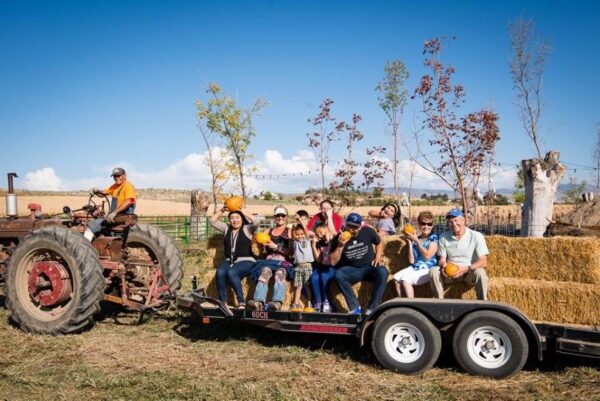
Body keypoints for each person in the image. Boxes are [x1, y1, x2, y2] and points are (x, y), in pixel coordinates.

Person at [331, 213, 389, 315]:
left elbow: (379, 242)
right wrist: (340, 246)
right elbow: (332, 261)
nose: (351, 229)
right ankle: (354, 307)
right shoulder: (338, 238)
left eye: (355, 227)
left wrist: (378, 257)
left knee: (383, 271)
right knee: (339, 274)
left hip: (370, 268)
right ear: (345, 224)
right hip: (353, 270)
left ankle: (373, 307)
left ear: (360, 226)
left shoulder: (368, 232)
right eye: (349, 226)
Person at [429, 209, 490, 300]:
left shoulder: (476, 236)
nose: (453, 224)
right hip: (450, 273)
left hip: (468, 273)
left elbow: (483, 261)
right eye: (450, 221)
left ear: (464, 220)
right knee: (433, 271)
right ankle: (439, 301)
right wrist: (443, 266)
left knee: (480, 273)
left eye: (456, 220)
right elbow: (442, 258)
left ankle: (483, 303)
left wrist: (465, 269)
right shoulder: (444, 237)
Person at [209, 203, 260, 308]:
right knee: (220, 272)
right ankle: (223, 301)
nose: (235, 220)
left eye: (237, 217)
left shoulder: (247, 229)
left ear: (242, 219)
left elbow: (257, 221)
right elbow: (212, 221)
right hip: (229, 260)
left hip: (246, 261)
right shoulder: (226, 229)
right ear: (229, 220)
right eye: (232, 218)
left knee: (232, 272)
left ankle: (241, 301)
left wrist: (245, 212)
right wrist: (222, 209)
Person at [247, 205, 294, 311]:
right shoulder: (268, 230)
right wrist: (256, 242)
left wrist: (276, 247)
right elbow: (258, 245)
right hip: (268, 260)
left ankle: (277, 302)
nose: (280, 218)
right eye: (278, 215)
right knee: (264, 273)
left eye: (283, 215)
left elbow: (291, 251)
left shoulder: (290, 231)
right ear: (274, 217)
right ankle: (258, 301)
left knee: (279, 274)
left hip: (283, 261)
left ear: (287, 217)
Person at [393, 211, 438, 298]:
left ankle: (412, 306)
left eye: (429, 224)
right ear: (419, 224)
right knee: (396, 278)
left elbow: (428, 256)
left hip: (428, 269)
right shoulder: (417, 238)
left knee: (406, 280)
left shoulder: (434, 238)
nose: (426, 226)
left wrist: (417, 242)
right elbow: (411, 261)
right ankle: (402, 303)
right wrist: (410, 242)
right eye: (423, 223)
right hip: (415, 267)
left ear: (432, 225)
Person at [85, 167, 137, 241]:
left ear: (124, 176)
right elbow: (105, 192)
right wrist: (96, 190)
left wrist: (114, 213)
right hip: (116, 216)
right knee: (101, 224)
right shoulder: (115, 186)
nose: (116, 178)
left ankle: (86, 248)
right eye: (115, 176)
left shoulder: (128, 185)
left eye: (119, 176)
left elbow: (130, 201)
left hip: (121, 216)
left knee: (91, 227)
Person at [309, 221, 335, 312]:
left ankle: (326, 301)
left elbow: (333, 235)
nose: (319, 235)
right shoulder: (320, 243)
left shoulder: (333, 239)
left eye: (321, 232)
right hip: (322, 266)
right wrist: (313, 245)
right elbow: (318, 259)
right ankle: (318, 302)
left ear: (326, 230)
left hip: (332, 267)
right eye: (317, 233)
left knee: (324, 276)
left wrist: (329, 238)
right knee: (314, 277)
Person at [290, 221, 314, 312]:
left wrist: (299, 219)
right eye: (297, 234)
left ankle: (309, 303)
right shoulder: (295, 242)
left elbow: (306, 231)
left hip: (307, 266)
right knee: (298, 286)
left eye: (301, 234)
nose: (300, 236)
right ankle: (295, 303)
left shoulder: (307, 240)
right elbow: (292, 234)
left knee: (307, 286)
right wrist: (293, 227)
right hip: (298, 267)